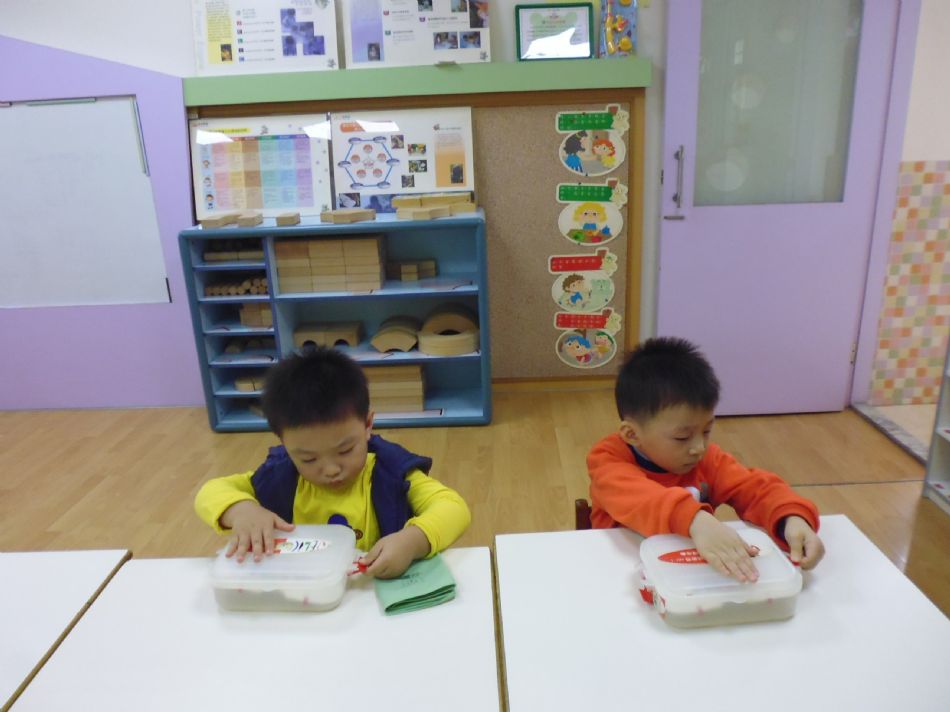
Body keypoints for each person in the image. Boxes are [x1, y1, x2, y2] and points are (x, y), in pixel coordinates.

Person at [194, 347, 471, 579]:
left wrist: (412, 541)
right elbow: (210, 492)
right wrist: (241, 511)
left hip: (373, 594)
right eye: (308, 458)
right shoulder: (280, 475)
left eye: (345, 450)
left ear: (368, 425)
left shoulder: (391, 472)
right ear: (284, 442)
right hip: (304, 592)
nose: (331, 469)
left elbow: (454, 508)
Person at [587, 337, 824, 582]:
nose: (699, 447)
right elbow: (640, 498)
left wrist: (790, 518)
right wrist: (695, 520)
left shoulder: (708, 460)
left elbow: (755, 488)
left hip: (690, 577)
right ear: (632, 434)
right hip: (618, 577)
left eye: (706, 431)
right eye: (682, 437)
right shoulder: (608, 460)